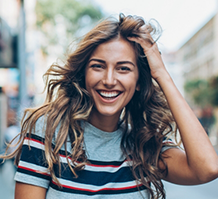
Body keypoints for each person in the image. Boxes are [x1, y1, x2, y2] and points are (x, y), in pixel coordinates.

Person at [1, 13, 218, 199]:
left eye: (123, 68)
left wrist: (161, 74)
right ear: (83, 73)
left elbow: (208, 169)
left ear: (139, 82)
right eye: (98, 66)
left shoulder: (146, 144)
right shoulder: (47, 133)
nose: (109, 79)